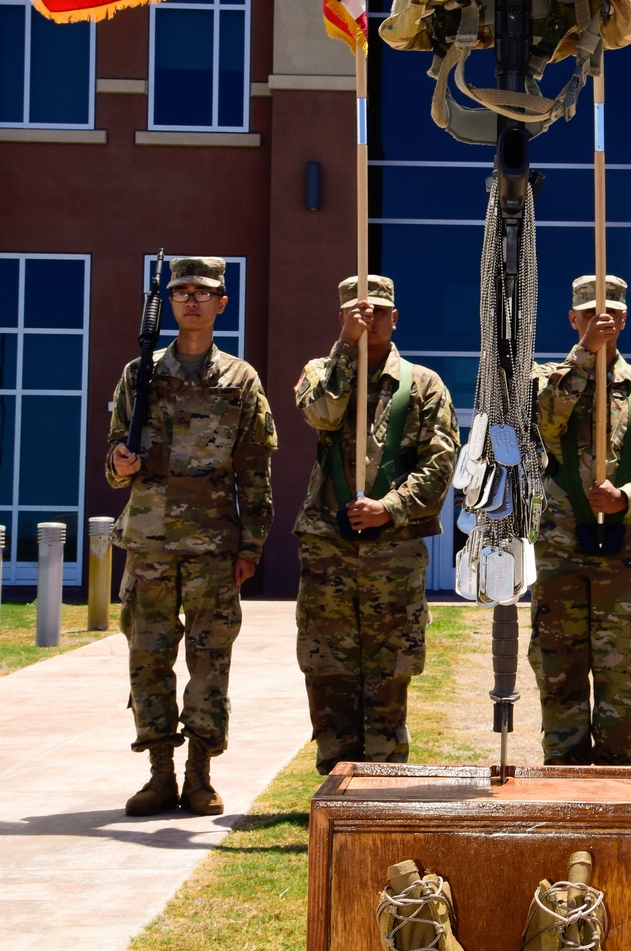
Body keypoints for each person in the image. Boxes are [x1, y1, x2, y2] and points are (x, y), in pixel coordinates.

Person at [107, 256, 276, 818]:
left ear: (221, 304)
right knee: (147, 658)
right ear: (170, 302)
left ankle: (200, 775)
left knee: (210, 662)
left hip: (212, 547)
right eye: (181, 291)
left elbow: (255, 471)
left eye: (203, 292)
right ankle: (158, 773)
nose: (191, 300)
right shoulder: (141, 374)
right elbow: (112, 457)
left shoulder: (239, 379)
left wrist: (250, 547)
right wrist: (120, 463)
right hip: (150, 543)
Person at [293, 274, 459, 772]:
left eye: (380, 312)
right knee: (328, 664)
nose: (371, 320)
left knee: (389, 666)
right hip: (329, 546)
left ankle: (386, 778)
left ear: (396, 317)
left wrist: (391, 506)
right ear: (341, 318)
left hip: (394, 549)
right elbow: (322, 414)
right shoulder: (320, 372)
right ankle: (336, 778)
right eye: (358, 313)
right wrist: (346, 349)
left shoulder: (423, 383)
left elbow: (441, 461)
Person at [529, 274, 631, 765]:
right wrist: (584, 354)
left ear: (625, 318)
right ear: (573, 318)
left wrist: (630, 495)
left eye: (613, 312)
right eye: (589, 312)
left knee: (620, 675)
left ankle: (617, 782)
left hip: (627, 555)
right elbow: (544, 420)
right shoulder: (545, 378)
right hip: (561, 551)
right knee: (559, 670)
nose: (603, 319)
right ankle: (562, 778)